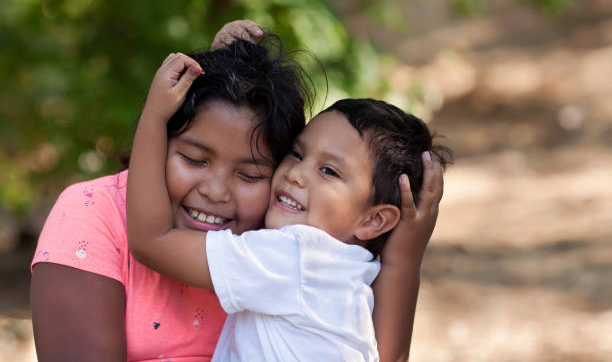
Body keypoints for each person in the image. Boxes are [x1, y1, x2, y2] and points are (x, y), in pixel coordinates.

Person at [30, 20, 444, 361]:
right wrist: (227, 73)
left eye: (250, 176)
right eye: (193, 159)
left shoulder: (286, 252)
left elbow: (153, 239)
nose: (215, 191)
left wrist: (157, 116)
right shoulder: (330, 259)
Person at [127, 58, 451, 362]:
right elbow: (390, 357)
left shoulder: (292, 256)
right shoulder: (349, 269)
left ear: (375, 219)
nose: (296, 174)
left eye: (328, 171)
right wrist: (406, 255)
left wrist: (155, 117)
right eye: (296, 154)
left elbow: (151, 240)